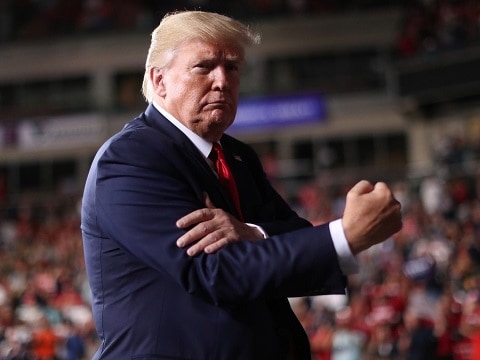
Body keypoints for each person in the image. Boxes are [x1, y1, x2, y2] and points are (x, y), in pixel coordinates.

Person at [80, 10, 402, 360]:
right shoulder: (131, 158)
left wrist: (253, 232)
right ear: (160, 81)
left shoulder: (237, 156)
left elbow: (293, 232)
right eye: (203, 67)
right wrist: (345, 236)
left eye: (231, 67)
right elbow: (215, 271)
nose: (222, 81)